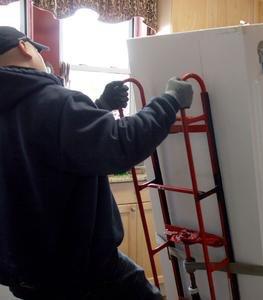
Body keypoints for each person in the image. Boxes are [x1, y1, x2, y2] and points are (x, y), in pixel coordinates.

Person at [0, 26, 193, 300]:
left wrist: (100, 105)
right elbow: (120, 143)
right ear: (24, 47)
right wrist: (169, 101)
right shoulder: (53, 102)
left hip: (27, 275)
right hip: (83, 273)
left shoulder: (29, 106)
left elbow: (46, 145)